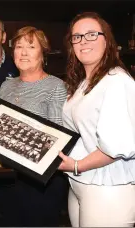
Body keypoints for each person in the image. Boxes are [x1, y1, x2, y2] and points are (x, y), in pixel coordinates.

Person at [58, 12, 135, 227]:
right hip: (80, 182)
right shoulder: (84, 83)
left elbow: (117, 146)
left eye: (91, 34)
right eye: (77, 37)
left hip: (108, 187)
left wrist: (76, 165)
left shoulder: (116, 81)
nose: (83, 41)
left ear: (107, 40)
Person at [0, 26, 68, 226]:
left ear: (43, 53)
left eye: (31, 46)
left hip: (40, 183)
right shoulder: (6, 86)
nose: (24, 52)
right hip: (7, 179)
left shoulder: (56, 86)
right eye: (19, 47)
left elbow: (57, 140)